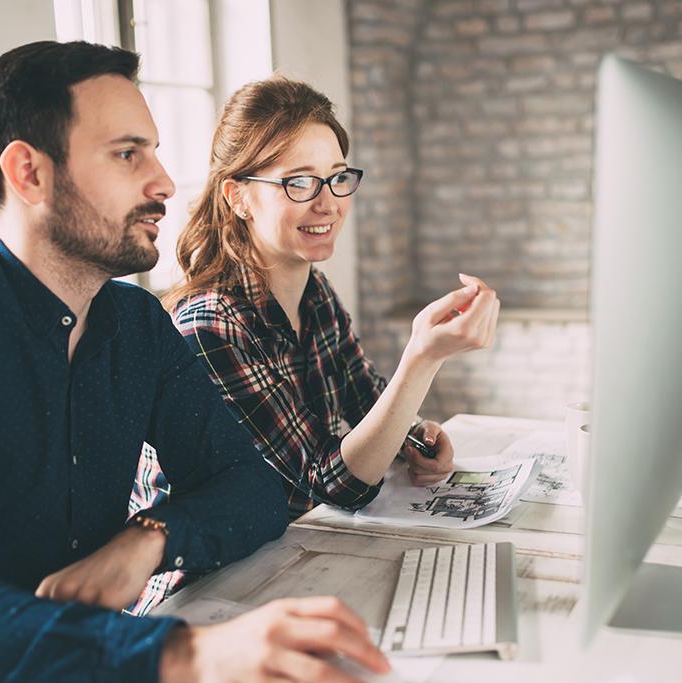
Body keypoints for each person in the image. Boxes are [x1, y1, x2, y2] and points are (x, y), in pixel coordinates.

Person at [0, 43, 389, 683]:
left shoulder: (134, 323)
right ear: (29, 173)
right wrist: (184, 655)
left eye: (152, 151)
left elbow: (250, 487)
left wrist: (150, 536)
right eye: (127, 155)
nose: (163, 181)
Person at [132, 77, 499, 613]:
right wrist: (423, 357)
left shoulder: (313, 291)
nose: (327, 203)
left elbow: (367, 402)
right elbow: (336, 483)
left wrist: (415, 437)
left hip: (288, 552)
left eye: (336, 178)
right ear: (238, 196)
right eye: (299, 183)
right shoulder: (210, 326)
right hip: (198, 595)